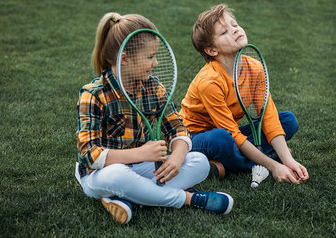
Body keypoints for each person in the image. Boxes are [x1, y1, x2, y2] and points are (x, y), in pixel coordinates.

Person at [75, 12, 234, 224]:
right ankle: (188, 198)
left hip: (144, 169)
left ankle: (131, 198)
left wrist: (177, 156)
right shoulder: (93, 95)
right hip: (101, 174)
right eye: (150, 57)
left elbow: (178, 128)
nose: (156, 62)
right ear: (125, 59)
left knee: (201, 162)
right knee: (117, 177)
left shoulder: (153, 87)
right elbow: (89, 155)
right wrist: (140, 152)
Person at [180, 4, 309, 184]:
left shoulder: (255, 68)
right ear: (211, 50)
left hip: (229, 131)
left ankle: (223, 165)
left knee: (287, 121)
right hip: (195, 137)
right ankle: (255, 161)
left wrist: (288, 160)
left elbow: (268, 116)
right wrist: (274, 166)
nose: (234, 30)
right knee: (222, 138)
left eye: (234, 24)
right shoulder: (209, 81)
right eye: (224, 32)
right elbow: (230, 133)